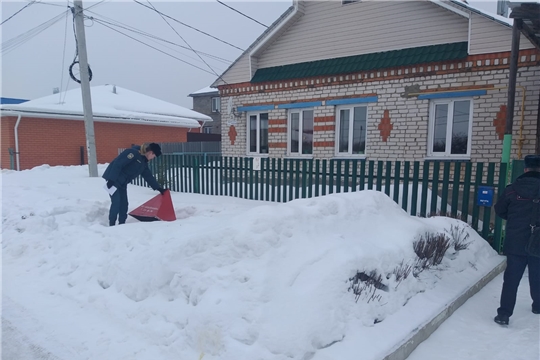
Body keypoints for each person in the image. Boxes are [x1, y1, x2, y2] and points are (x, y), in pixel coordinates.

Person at [493, 154, 540, 325]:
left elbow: (499, 210)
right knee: (538, 275)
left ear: (525, 169)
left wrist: (514, 219)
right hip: (538, 242)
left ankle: (504, 314)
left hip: (515, 241)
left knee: (511, 279)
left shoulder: (512, 189)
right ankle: (537, 306)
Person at [102, 143, 165, 226]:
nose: (153, 158)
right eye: (154, 156)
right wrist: (111, 179)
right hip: (114, 181)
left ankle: (122, 224)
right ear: (150, 152)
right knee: (116, 202)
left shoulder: (143, 163)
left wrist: (158, 188)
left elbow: (148, 176)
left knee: (124, 204)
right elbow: (118, 164)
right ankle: (112, 224)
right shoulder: (132, 153)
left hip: (122, 183)